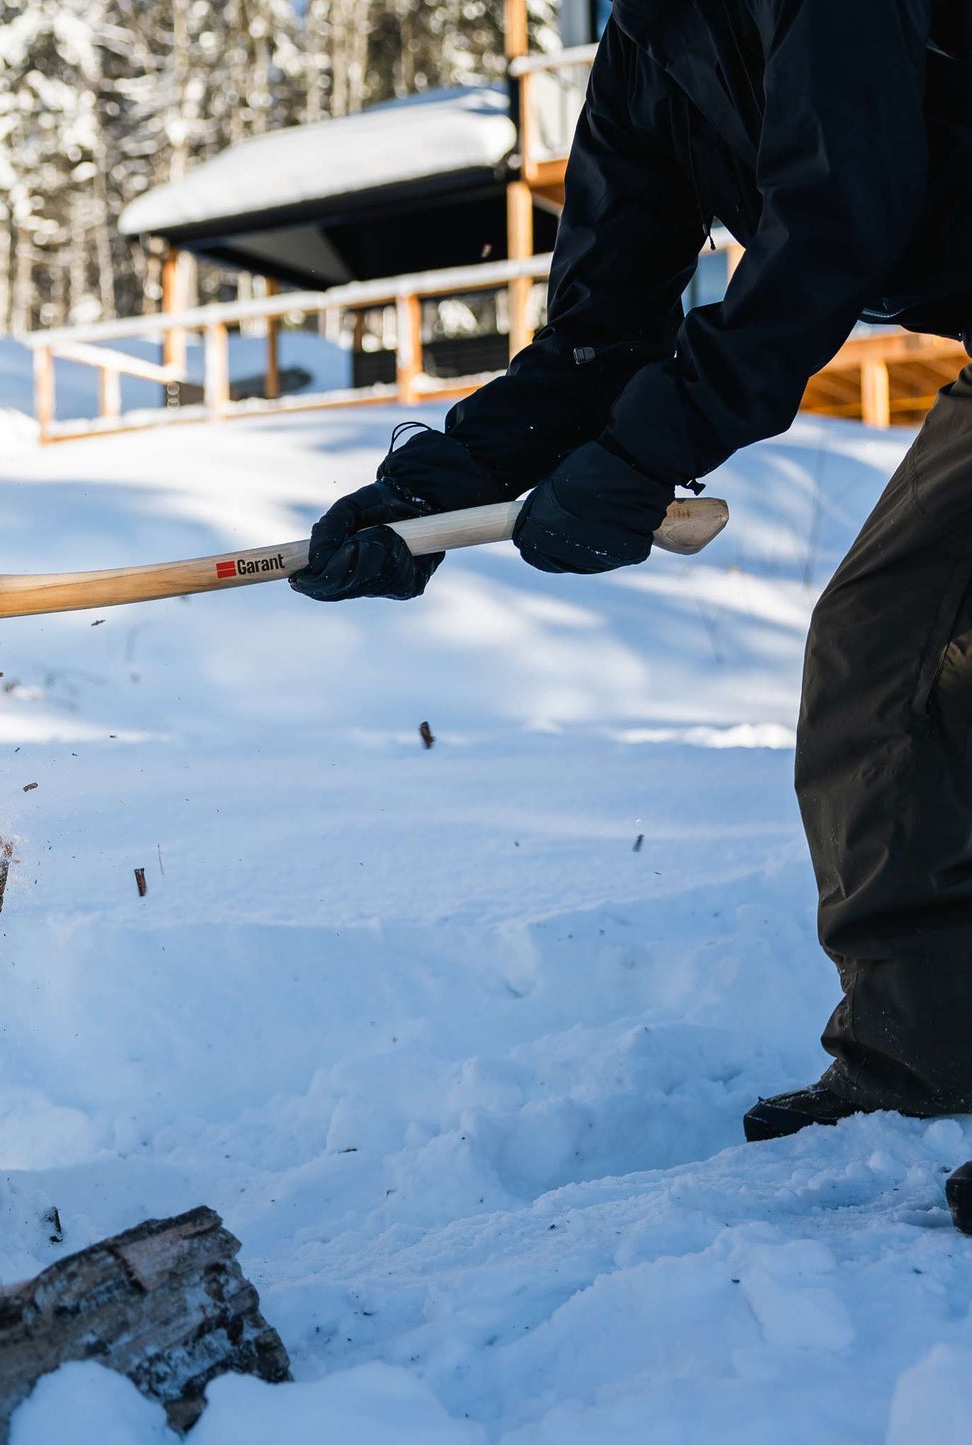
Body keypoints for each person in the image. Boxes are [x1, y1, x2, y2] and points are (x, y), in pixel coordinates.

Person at [291, 0, 972, 1142]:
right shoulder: (650, 48)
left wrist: (646, 454)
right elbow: (597, 337)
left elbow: (827, 230)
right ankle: (922, 1051)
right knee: (881, 652)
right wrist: (434, 490)